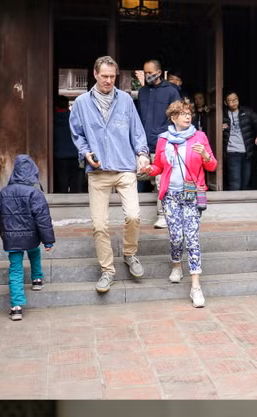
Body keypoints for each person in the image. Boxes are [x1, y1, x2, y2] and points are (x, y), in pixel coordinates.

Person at [69, 56, 150, 294]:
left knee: (134, 216)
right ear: (95, 74)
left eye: (112, 77)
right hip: (98, 171)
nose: (108, 80)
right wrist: (85, 153)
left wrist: (143, 154)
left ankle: (130, 253)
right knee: (99, 225)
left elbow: (137, 130)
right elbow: (77, 134)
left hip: (125, 166)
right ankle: (107, 270)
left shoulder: (125, 99)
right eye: (104, 76)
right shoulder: (82, 103)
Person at [145, 99, 217, 308]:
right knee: (176, 236)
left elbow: (212, 165)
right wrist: (150, 169)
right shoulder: (163, 140)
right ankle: (177, 265)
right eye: (183, 113)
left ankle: (195, 286)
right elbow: (159, 167)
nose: (188, 116)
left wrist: (204, 154)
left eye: (189, 113)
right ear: (173, 117)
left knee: (192, 238)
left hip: (192, 195)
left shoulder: (199, 137)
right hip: (171, 196)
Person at [0, 154, 55, 322]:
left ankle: (16, 307)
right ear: (32, 173)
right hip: (32, 236)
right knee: (34, 252)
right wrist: (48, 241)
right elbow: (43, 219)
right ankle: (37, 278)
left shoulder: (3, 193)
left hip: (12, 239)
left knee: (15, 270)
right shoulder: (35, 193)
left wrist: (4, 234)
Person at [136, 59, 182, 229]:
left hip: (163, 143)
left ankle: (163, 215)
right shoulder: (142, 92)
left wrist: (167, 136)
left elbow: (177, 117)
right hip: (142, 145)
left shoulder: (171, 91)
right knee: (133, 175)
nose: (147, 75)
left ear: (159, 72)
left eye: (150, 72)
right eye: (145, 72)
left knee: (161, 179)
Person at [222, 92, 257, 191]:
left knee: (246, 180)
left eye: (235, 99)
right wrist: (219, 127)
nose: (233, 102)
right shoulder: (221, 115)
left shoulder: (247, 112)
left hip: (247, 151)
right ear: (225, 103)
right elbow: (212, 128)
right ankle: (234, 204)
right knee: (235, 180)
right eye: (230, 100)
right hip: (232, 151)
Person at [53, 96, 83, 193]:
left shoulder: (50, 118)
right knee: (74, 178)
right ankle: (75, 195)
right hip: (74, 154)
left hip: (59, 155)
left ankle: (62, 194)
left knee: (62, 179)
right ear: (67, 106)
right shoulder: (74, 118)